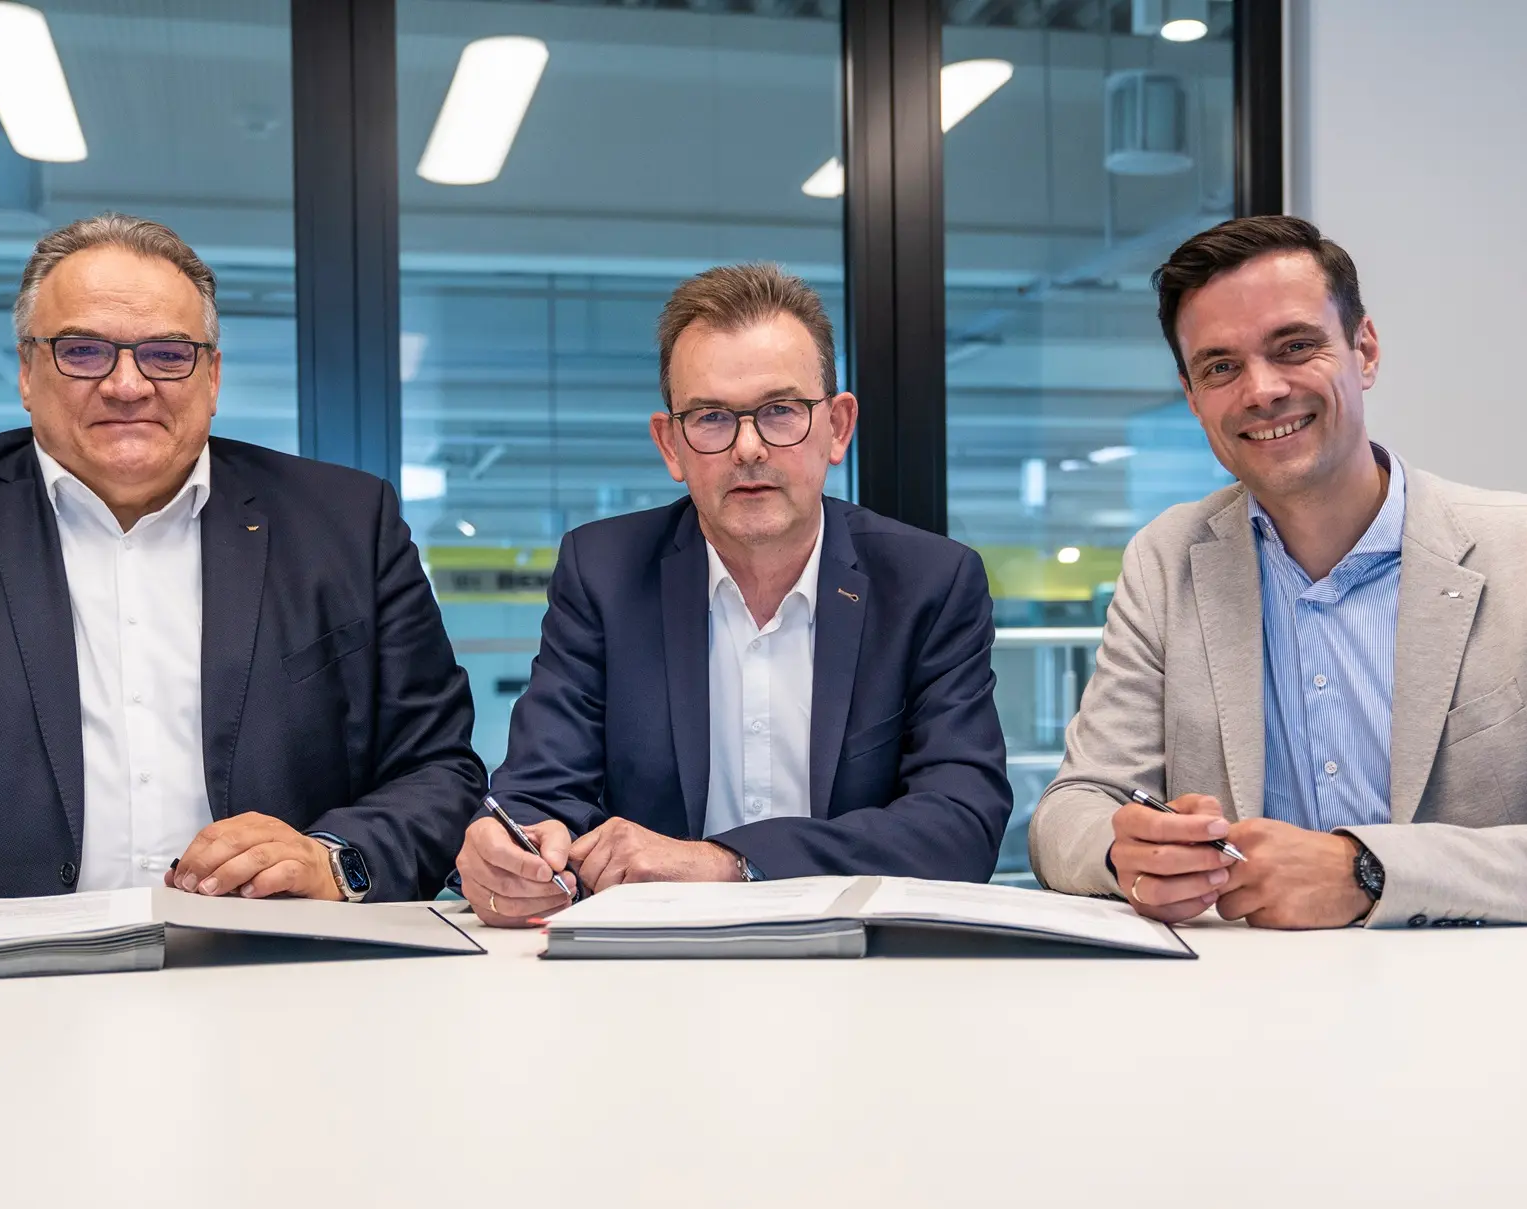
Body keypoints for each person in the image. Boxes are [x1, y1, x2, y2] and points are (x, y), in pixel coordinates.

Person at [0, 213, 484, 935]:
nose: (127, 384)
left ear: (211, 377)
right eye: (82, 351)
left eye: (167, 354)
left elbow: (439, 769)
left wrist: (332, 859)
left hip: (274, 970)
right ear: (26, 371)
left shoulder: (346, 523)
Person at [456, 263, 1012, 927]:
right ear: (671, 444)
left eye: (780, 411)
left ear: (837, 426)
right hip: (647, 963)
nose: (748, 447)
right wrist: (515, 853)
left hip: (863, 959)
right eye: (712, 417)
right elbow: (539, 794)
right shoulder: (603, 573)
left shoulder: (929, 582)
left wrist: (729, 863)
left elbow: (960, 824)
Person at [1030, 214, 1527, 930]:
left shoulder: (1514, 550)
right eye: (1220, 367)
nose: (1261, 390)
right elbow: (1070, 809)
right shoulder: (1165, 560)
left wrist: (1367, 870)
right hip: (1243, 988)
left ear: (1364, 350)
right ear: (1192, 397)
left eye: (1293, 347)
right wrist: (1124, 853)